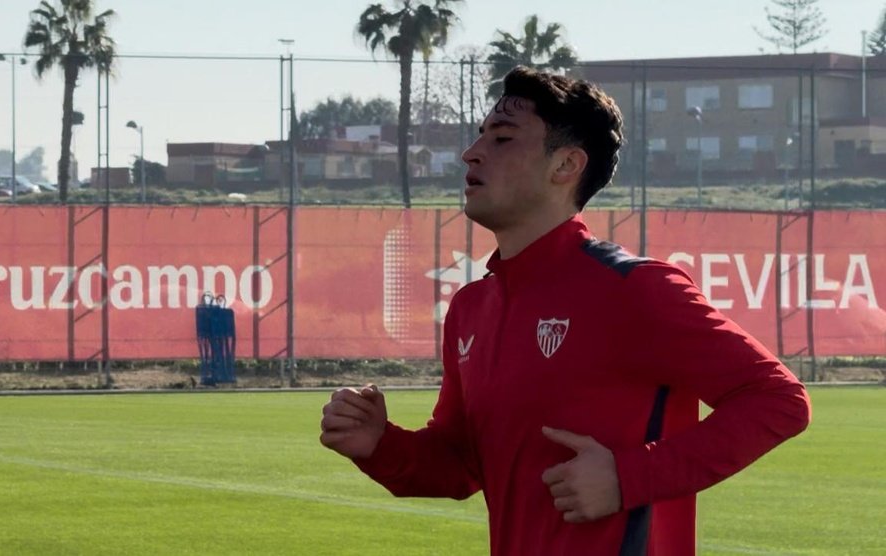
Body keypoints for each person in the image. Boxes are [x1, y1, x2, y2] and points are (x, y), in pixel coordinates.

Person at [319, 66, 811, 555]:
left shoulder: (634, 288)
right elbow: (460, 463)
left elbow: (778, 400)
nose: (472, 153)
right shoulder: (472, 308)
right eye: (480, 136)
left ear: (566, 166)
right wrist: (379, 444)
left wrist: (628, 477)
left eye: (503, 138)